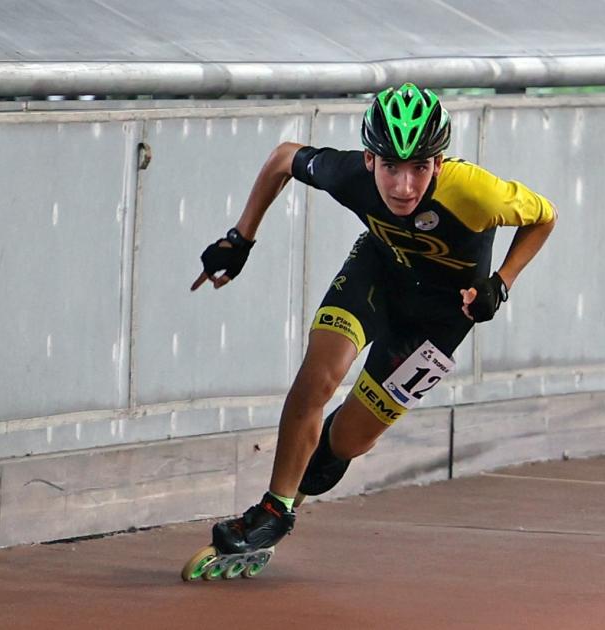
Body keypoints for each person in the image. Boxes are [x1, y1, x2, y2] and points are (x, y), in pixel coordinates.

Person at [186, 83, 556, 577]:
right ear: (368, 160)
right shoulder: (348, 175)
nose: (403, 186)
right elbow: (282, 158)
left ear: (439, 164)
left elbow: (544, 217)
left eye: (419, 168)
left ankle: (304, 476)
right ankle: (274, 509)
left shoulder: (476, 192)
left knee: (346, 444)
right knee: (318, 377)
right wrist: (240, 238)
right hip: (377, 275)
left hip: (441, 318)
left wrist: (502, 282)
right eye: (390, 168)